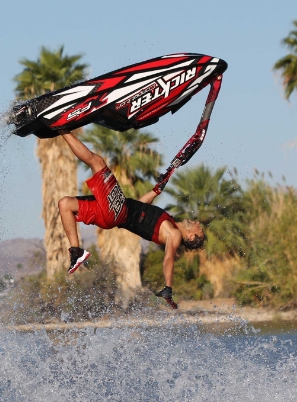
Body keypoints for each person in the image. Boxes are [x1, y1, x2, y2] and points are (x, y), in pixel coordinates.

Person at [57, 131, 205, 308]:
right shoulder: (169, 223)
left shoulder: (174, 235)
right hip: (113, 217)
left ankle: (60, 128)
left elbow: (168, 259)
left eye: (199, 229)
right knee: (65, 204)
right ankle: (76, 251)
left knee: (97, 162)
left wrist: (168, 287)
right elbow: (141, 205)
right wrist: (156, 190)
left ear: (190, 237)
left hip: (117, 211)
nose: (197, 223)